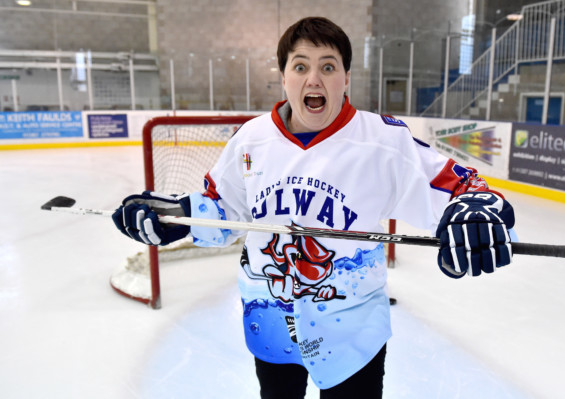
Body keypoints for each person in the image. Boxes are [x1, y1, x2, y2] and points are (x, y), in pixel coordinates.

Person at [112, 17, 515, 399]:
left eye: (328, 66)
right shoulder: (251, 139)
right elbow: (222, 209)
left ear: (346, 79)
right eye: (300, 66)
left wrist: (474, 210)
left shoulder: (382, 141)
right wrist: (175, 217)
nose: (314, 78)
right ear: (284, 77)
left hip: (352, 332)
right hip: (269, 319)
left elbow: (461, 185)